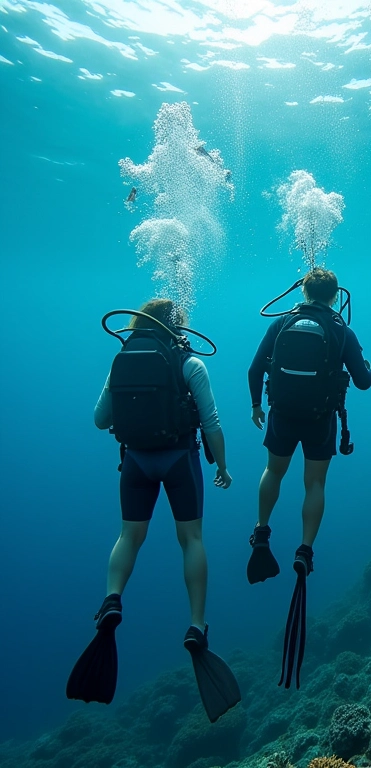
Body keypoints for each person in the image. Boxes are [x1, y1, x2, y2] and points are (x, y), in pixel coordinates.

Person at [66, 298, 240, 723]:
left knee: (129, 536)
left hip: (136, 463)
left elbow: (99, 420)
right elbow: (212, 422)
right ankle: (197, 624)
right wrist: (221, 465)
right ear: (177, 326)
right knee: (191, 539)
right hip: (180, 460)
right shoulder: (190, 364)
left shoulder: (121, 360)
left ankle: (111, 600)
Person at [247, 267, 371, 688]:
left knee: (273, 471)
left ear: (302, 290)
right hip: (320, 419)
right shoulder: (341, 329)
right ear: (336, 296)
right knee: (314, 484)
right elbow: (365, 381)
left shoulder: (281, 321)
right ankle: (304, 549)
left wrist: (255, 406)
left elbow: (253, 369)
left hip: (282, 414)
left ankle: (261, 531)